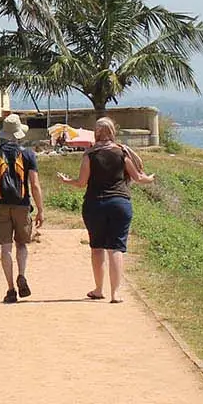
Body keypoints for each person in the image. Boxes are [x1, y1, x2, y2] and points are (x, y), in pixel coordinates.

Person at [59, 117, 155, 303]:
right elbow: (137, 177)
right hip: (120, 203)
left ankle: (98, 289)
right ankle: (115, 293)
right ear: (112, 132)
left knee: (97, 248)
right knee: (116, 249)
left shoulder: (90, 155)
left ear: (96, 132)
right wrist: (150, 179)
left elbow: (81, 183)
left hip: (95, 204)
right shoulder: (122, 152)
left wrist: (66, 180)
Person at [0, 113, 45, 304]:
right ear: (19, 133)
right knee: (22, 244)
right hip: (22, 205)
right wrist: (40, 209)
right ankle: (22, 274)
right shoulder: (28, 154)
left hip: (0, 205)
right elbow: (34, 184)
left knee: (5, 248)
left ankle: (10, 289)